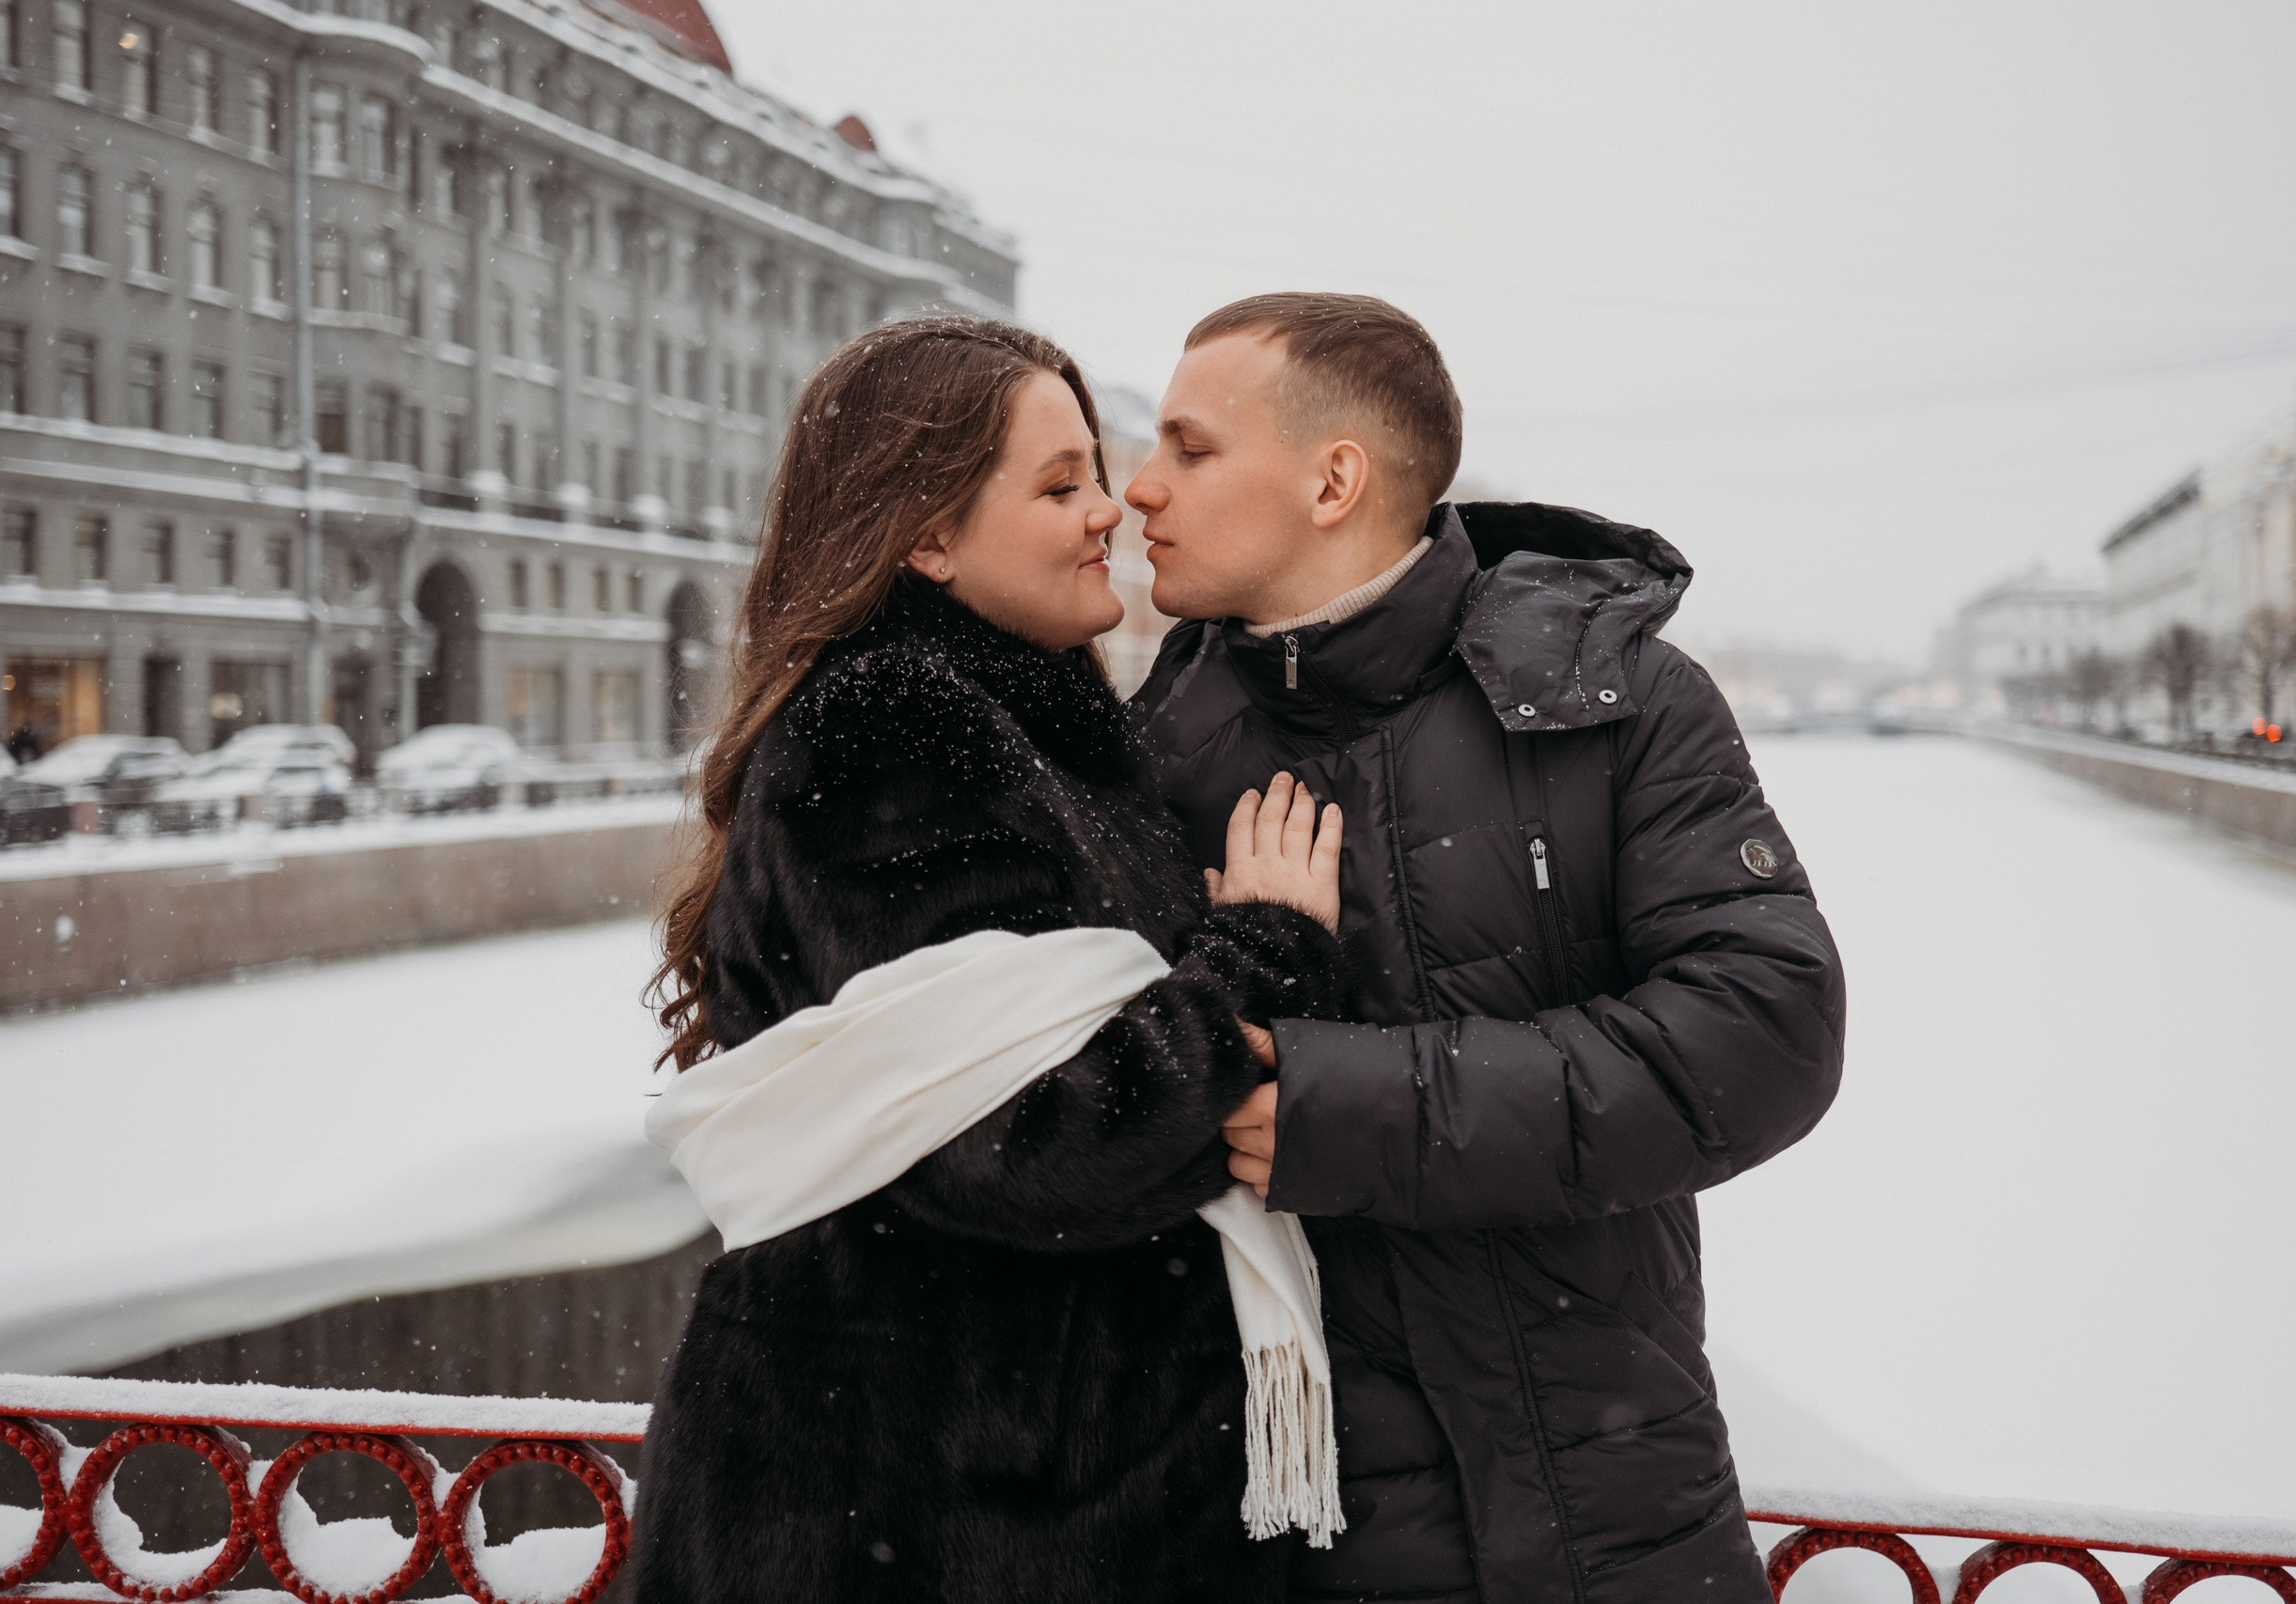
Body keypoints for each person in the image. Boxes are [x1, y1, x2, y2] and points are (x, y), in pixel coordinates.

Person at [1127, 292, 1847, 1604]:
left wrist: (1352, 1112)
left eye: (1189, 448)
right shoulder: (1160, 743)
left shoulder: (1613, 696)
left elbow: (1765, 1031)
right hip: (1277, 1532)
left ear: (1333, 479)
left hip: (1611, 1521)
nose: (1138, 488)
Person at [632, 319, 1352, 1603]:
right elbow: (1038, 1144)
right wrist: (1265, 952)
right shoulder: (894, 726)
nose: (1113, 510)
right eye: (1060, 482)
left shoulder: (1023, 729)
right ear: (929, 535)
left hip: (943, 1498)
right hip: (934, 1516)